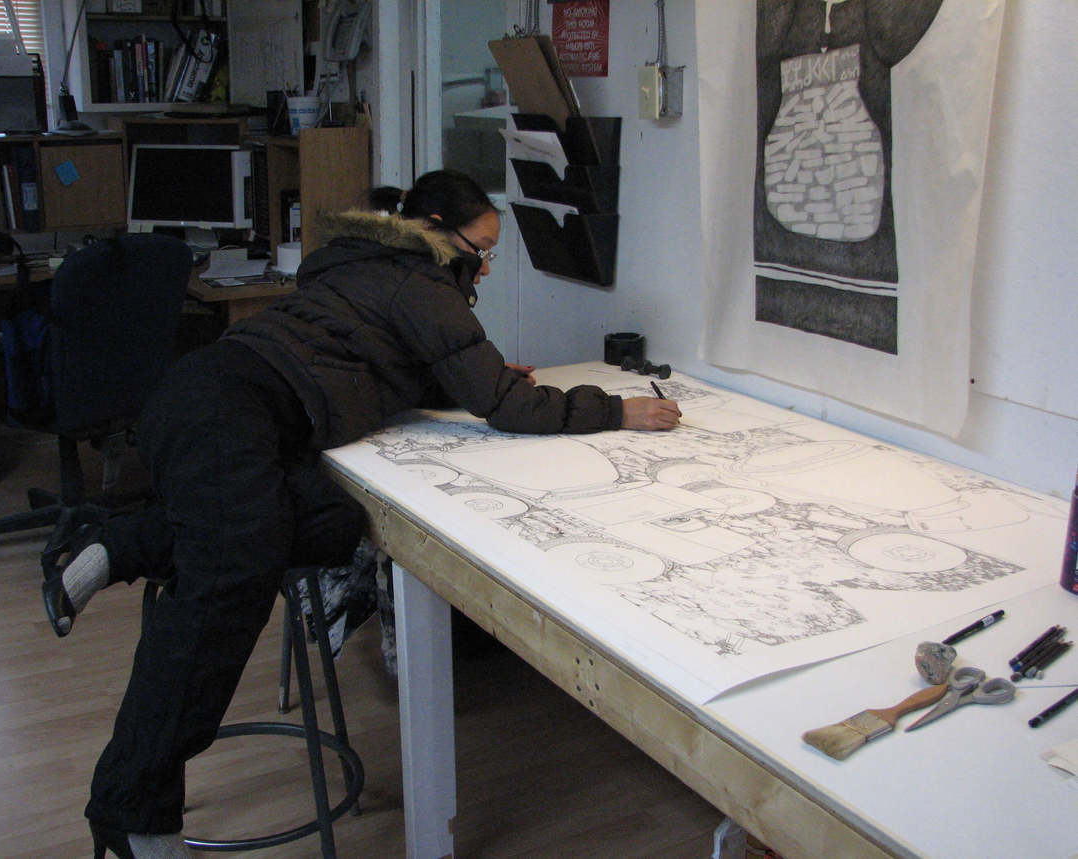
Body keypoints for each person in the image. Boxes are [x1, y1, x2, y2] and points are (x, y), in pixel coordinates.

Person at [46, 169, 682, 858]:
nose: (488, 265)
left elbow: (378, 358)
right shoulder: (423, 281)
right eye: (485, 246)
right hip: (230, 410)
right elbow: (508, 407)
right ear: (437, 230)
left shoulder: (364, 265)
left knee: (335, 521)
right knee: (221, 596)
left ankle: (124, 541)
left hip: (209, 402)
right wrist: (618, 409)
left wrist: (473, 375)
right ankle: (132, 807)